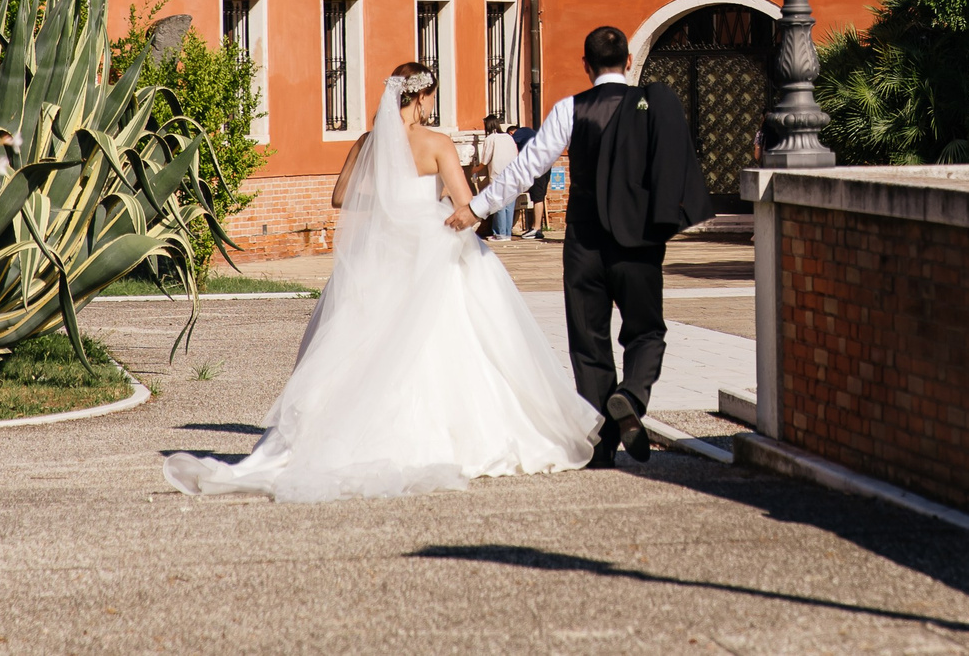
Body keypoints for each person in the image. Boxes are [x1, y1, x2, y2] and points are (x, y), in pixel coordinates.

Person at [162, 63, 599, 500]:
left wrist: (389, 199)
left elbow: (340, 196)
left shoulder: (369, 142)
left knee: (365, 339)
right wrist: (440, 201)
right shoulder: (437, 144)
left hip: (383, 250)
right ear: (423, 96)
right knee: (452, 335)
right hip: (431, 243)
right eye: (431, 98)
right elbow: (465, 205)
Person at [452, 26, 708, 469]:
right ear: (629, 62)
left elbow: (526, 166)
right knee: (646, 332)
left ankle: (602, 446)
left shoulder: (571, 108)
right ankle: (630, 396)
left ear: (586, 67)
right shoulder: (650, 107)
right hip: (638, 242)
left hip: (584, 243)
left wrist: (477, 208)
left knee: (589, 344)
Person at [479, 120, 520, 241]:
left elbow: (485, 160)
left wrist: (475, 170)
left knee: (499, 205)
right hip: (512, 174)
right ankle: (507, 233)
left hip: (498, 175)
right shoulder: (508, 137)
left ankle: (500, 234)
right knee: (509, 204)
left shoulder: (491, 139)